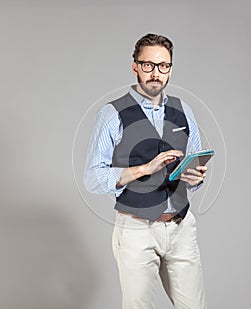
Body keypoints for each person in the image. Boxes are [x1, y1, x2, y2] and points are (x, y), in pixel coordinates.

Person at [84, 33, 208, 309]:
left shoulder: (183, 110)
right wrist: (143, 169)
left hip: (181, 226)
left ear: (170, 68)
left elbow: (195, 165)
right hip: (136, 229)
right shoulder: (112, 113)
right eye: (148, 65)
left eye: (163, 66)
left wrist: (195, 177)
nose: (156, 73)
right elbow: (92, 177)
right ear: (135, 66)